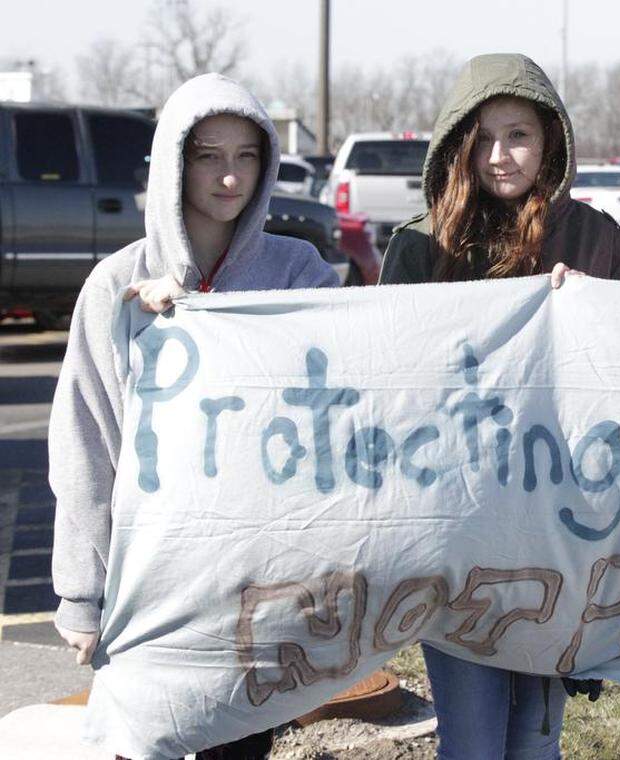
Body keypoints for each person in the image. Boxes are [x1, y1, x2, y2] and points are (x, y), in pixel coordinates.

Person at [49, 73, 339, 759]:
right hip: (147, 589)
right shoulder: (116, 287)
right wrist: (80, 596)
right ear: (175, 159)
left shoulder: (298, 271)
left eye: (246, 157)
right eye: (209, 154)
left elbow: (357, 377)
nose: (230, 177)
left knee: (238, 751)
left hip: (255, 591)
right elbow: (85, 442)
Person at [379, 52, 620, 759]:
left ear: (550, 139)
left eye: (518, 134)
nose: (500, 156)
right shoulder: (418, 248)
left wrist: (588, 311)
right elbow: (390, 389)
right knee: (472, 737)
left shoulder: (594, 239)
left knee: (536, 739)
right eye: (484, 137)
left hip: (560, 529)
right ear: (458, 144)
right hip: (456, 531)